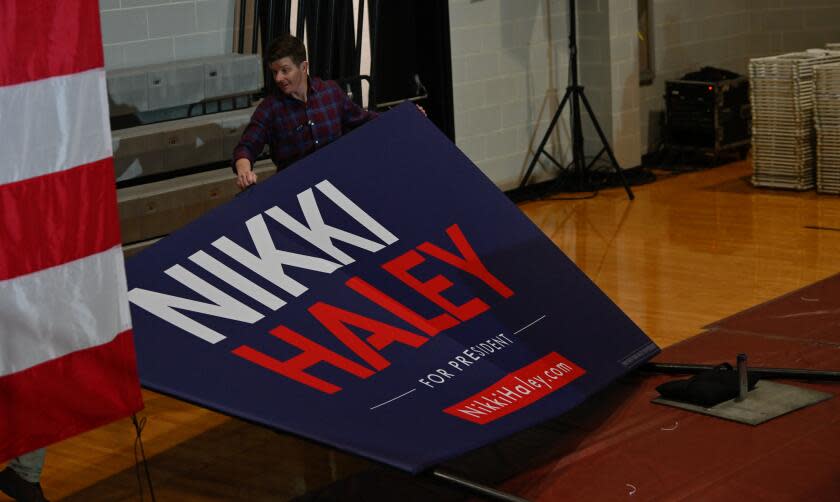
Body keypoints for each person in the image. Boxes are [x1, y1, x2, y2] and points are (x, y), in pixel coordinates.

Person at [233, 33, 424, 190]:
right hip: (296, 194)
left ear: (304, 67)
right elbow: (247, 146)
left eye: (285, 70)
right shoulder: (270, 108)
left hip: (341, 185)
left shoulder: (330, 92)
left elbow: (365, 120)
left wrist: (407, 117)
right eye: (274, 72)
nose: (279, 78)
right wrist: (244, 170)